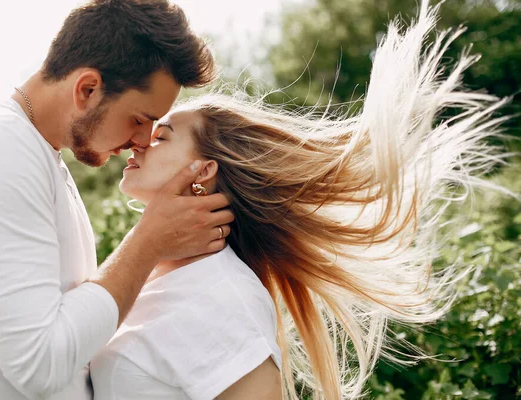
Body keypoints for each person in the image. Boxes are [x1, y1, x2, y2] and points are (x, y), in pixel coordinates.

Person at [90, 2, 509, 399]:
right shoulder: (149, 273)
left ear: (204, 171)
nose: (138, 142)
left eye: (161, 136)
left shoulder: (222, 296)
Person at [0, 1, 234, 400]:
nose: (143, 139)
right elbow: (39, 365)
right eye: (140, 119)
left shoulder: (34, 154)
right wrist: (149, 241)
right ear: (87, 89)